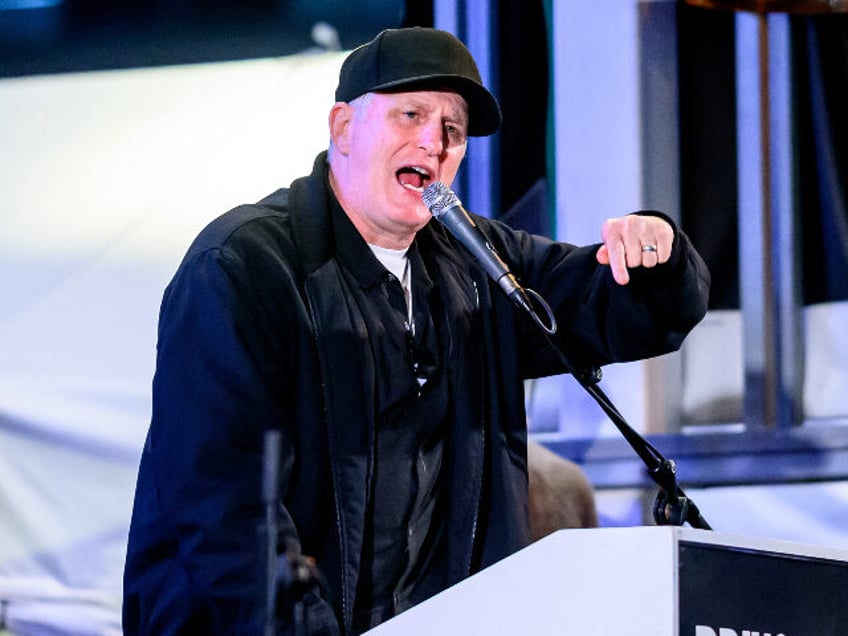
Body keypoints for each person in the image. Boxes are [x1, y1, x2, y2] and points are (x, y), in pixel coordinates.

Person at [122, 26, 710, 635]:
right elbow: (225, 508)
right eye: (411, 115)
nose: (433, 142)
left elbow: (614, 308)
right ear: (344, 128)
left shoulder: (479, 266)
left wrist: (655, 258)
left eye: (452, 130)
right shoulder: (245, 268)